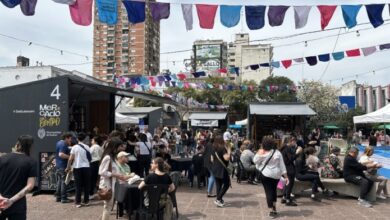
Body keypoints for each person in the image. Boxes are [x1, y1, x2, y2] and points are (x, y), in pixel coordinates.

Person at [0, 135, 37, 220]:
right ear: (30, 147)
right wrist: (11, 201)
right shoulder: (31, 162)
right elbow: (30, 186)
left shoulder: (2, 158)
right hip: (18, 204)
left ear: (17, 145)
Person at [253, 136, 289, 219]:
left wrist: (259, 153)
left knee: (268, 192)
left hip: (266, 174)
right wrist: (286, 177)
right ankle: (274, 207)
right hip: (276, 175)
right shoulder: (277, 152)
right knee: (273, 191)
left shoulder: (262, 152)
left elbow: (254, 161)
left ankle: (272, 210)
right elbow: (282, 165)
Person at [99, 137, 127, 220]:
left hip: (111, 184)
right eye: (120, 146)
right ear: (115, 147)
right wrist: (116, 175)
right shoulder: (108, 157)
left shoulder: (112, 157)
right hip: (107, 185)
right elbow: (101, 172)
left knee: (107, 206)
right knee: (108, 207)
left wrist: (118, 175)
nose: (121, 148)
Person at [65, 132, 92, 208]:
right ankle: (86, 201)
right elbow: (89, 158)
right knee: (86, 185)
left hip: (77, 167)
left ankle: (78, 202)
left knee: (78, 185)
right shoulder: (87, 147)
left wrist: (68, 167)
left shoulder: (74, 147)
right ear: (84, 139)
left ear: (77, 139)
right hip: (86, 167)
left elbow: (70, 158)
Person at [280, 136, 302, 206]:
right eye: (294, 141)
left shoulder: (284, 148)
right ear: (290, 141)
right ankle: (288, 199)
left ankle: (284, 197)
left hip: (285, 168)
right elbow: (291, 158)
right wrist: (298, 153)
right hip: (289, 169)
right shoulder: (288, 148)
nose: (295, 142)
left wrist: (295, 150)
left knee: (286, 183)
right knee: (290, 184)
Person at [210, 135, 231, 208]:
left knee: (218, 184)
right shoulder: (222, 148)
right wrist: (229, 150)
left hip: (215, 168)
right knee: (227, 184)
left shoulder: (213, 148)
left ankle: (219, 200)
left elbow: (212, 159)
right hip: (222, 169)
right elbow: (227, 158)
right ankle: (218, 199)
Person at [55, 132, 73, 203]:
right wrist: (70, 157)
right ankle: (64, 198)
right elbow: (61, 154)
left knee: (59, 182)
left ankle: (58, 197)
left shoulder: (59, 143)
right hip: (63, 166)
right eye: (70, 139)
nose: (70, 140)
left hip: (59, 166)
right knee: (64, 182)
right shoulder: (63, 144)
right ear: (66, 138)